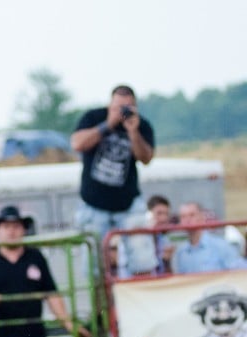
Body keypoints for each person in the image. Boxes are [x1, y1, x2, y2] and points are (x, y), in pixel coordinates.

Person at [0, 206, 89, 337]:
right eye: (6, 226)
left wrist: (68, 323)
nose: (11, 231)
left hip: (34, 336)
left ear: (24, 230)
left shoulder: (35, 256)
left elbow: (50, 292)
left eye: (16, 226)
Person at [70, 85, 156, 275]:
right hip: (93, 204)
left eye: (128, 107)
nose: (123, 112)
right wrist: (108, 124)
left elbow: (146, 158)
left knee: (142, 258)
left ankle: (139, 299)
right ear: (110, 104)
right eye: (119, 107)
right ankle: (100, 305)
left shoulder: (141, 125)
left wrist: (133, 132)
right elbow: (77, 143)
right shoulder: (94, 118)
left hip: (128, 204)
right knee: (93, 267)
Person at [171, 201, 247, 274]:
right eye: (183, 217)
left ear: (202, 218)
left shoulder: (221, 246)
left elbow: (242, 270)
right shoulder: (180, 252)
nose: (187, 220)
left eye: (192, 215)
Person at [117, 194, 176, 277]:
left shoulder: (163, 239)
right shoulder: (137, 236)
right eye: (159, 213)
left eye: (166, 214)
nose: (164, 219)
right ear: (148, 214)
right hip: (134, 286)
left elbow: (168, 276)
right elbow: (142, 275)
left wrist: (166, 261)